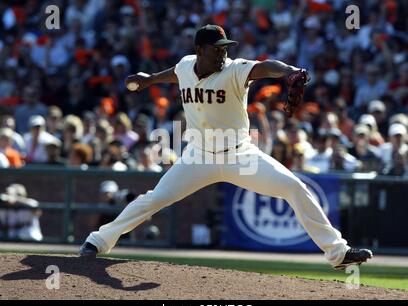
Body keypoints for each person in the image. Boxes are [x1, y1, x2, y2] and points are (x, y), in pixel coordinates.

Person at [80, 25, 372, 270]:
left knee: (294, 188)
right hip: (198, 156)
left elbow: (265, 67)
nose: (224, 52)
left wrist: (291, 72)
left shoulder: (234, 69)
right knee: (155, 198)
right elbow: (176, 72)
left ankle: (338, 253)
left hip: (240, 155)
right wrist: (150, 80)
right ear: (200, 51)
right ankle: (99, 240)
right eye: (217, 48)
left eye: (225, 47)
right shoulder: (185, 65)